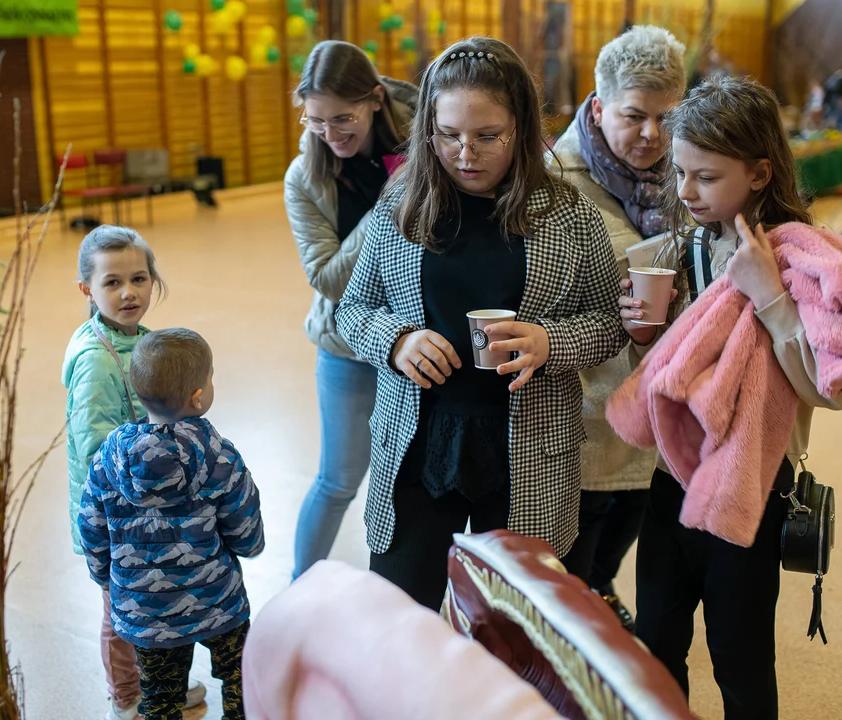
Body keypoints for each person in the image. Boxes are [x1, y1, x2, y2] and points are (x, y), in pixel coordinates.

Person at [335, 37, 627, 612]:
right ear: (428, 130)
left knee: (514, 626)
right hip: (418, 446)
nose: (465, 153)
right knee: (401, 618)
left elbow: (608, 323)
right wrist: (396, 341)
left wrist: (551, 340)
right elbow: (352, 310)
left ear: (520, 129)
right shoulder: (402, 209)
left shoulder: (568, 215)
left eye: (487, 136)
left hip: (528, 448)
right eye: (448, 135)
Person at [627, 76, 842, 719]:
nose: (684, 192)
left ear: (760, 173)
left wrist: (771, 297)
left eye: (705, 176)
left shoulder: (806, 261)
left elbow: (833, 387)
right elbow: (666, 383)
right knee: (656, 648)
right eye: (678, 173)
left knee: (741, 660)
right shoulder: (679, 251)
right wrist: (644, 339)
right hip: (670, 482)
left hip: (751, 488)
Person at [545, 25, 686, 630]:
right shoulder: (554, 182)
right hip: (581, 410)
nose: (652, 135)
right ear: (599, 108)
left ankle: (601, 592)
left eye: (667, 118)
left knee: (627, 522)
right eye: (634, 116)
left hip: (652, 407)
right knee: (576, 546)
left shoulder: (687, 174)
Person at [79, 328, 265, 720]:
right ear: (198, 396)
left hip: (144, 613)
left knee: (160, 697)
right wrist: (249, 548)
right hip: (217, 601)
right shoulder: (219, 457)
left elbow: (92, 528)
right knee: (240, 676)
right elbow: (244, 523)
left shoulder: (106, 462)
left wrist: (105, 577)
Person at [284, 40, 417, 580]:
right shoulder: (306, 176)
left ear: (376, 100)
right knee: (339, 478)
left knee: (414, 482)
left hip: (417, 340)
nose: (331, 134)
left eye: (343, 118)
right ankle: (297, 593)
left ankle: (405, 595)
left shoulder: (427, 142)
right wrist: (392, 197)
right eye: (317, 121)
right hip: (347, 344)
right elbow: (328, 277)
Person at [61, 227, 205, 720]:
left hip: (150, 500)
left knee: (157, 598)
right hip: (115, 511)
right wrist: (143, 476)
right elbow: (94, 450)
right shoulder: (97, 361)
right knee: (121, 610)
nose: (129, 293)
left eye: (139, 279)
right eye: (113, 282)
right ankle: (127, 696)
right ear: (87, 289)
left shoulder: (142, 340)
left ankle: (160, 682)